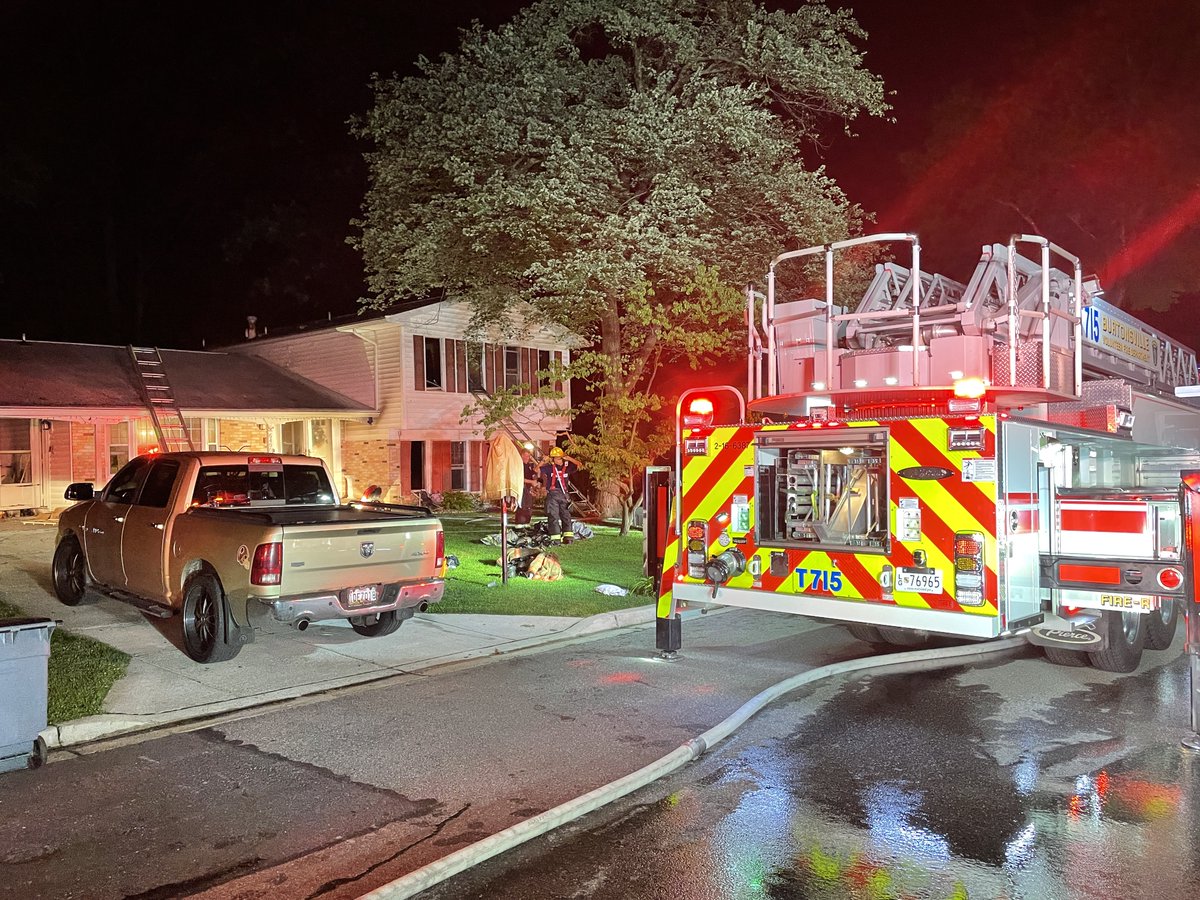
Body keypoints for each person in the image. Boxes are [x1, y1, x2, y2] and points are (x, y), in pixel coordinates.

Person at [539, 446, 582, 544]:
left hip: (563, 495)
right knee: (553, 516)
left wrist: (569, 458)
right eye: (554, 458)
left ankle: (568, 538)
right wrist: (543, 461)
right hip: (553, 495)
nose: (555, 460)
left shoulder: (567, 467)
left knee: (566, 515)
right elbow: (536, 469)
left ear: (562, 458)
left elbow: (579, 465)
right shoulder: (549, 468)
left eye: (557, 458)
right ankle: (556, 539)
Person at [516, 447, 538, 524]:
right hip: (522, 489)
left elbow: (534, 472)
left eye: (528, 456)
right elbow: (520, 479)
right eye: (525, 455)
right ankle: (520, 525)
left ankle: (526, 525)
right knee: (522, 508)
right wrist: (531, 482)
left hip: (527, 489)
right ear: (521, 455)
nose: (527, 458)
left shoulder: (528, 465)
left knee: (528, 508)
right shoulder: (519, 465)